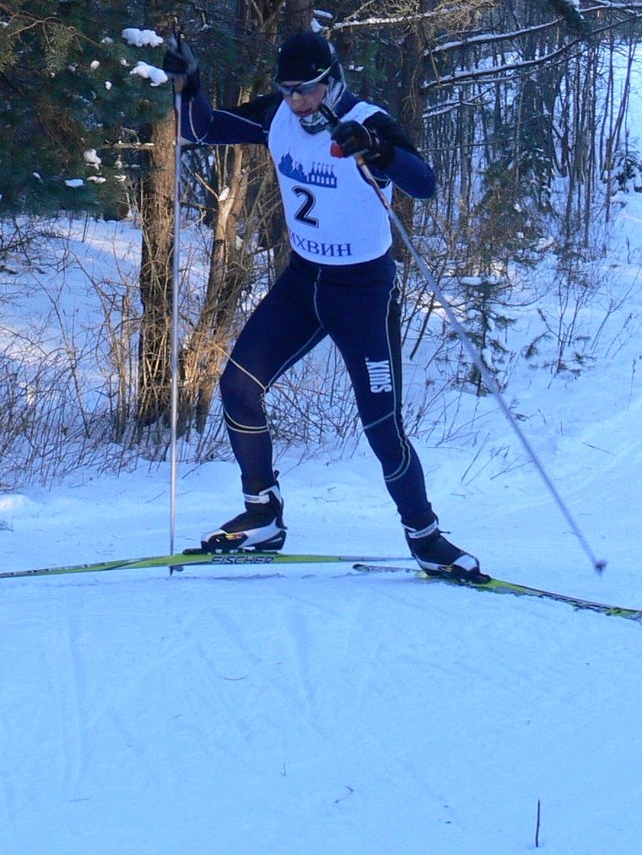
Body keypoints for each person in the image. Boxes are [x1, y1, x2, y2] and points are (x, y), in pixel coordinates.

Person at [163, 30, 481, 580]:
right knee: (237, 386)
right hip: (304, 280)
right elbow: (201, 130)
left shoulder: (367, 119)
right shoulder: (279, 116)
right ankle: (263, 516)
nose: (296, 101)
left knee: (381, 424)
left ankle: (426, 537)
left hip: (361, 291)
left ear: (331, 80)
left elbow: (423, 184)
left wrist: (378, 151)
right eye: (287, 90)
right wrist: (190, 83)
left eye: (306, 89)